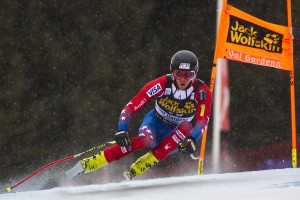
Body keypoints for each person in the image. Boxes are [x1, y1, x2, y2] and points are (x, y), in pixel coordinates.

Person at [66, 50, 212, 180]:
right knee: (146, 140)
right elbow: (131, 106)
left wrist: (192, 139)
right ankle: (91, 163)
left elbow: (202, 121)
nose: (183, 79)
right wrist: (122, 128)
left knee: (187, 127)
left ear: (195, 74)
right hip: (156, 121)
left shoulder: (202, 91)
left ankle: (138, 168)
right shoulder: (161, 84)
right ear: (172, 72)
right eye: (178, 74)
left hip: (177, 132)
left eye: (188, 75)